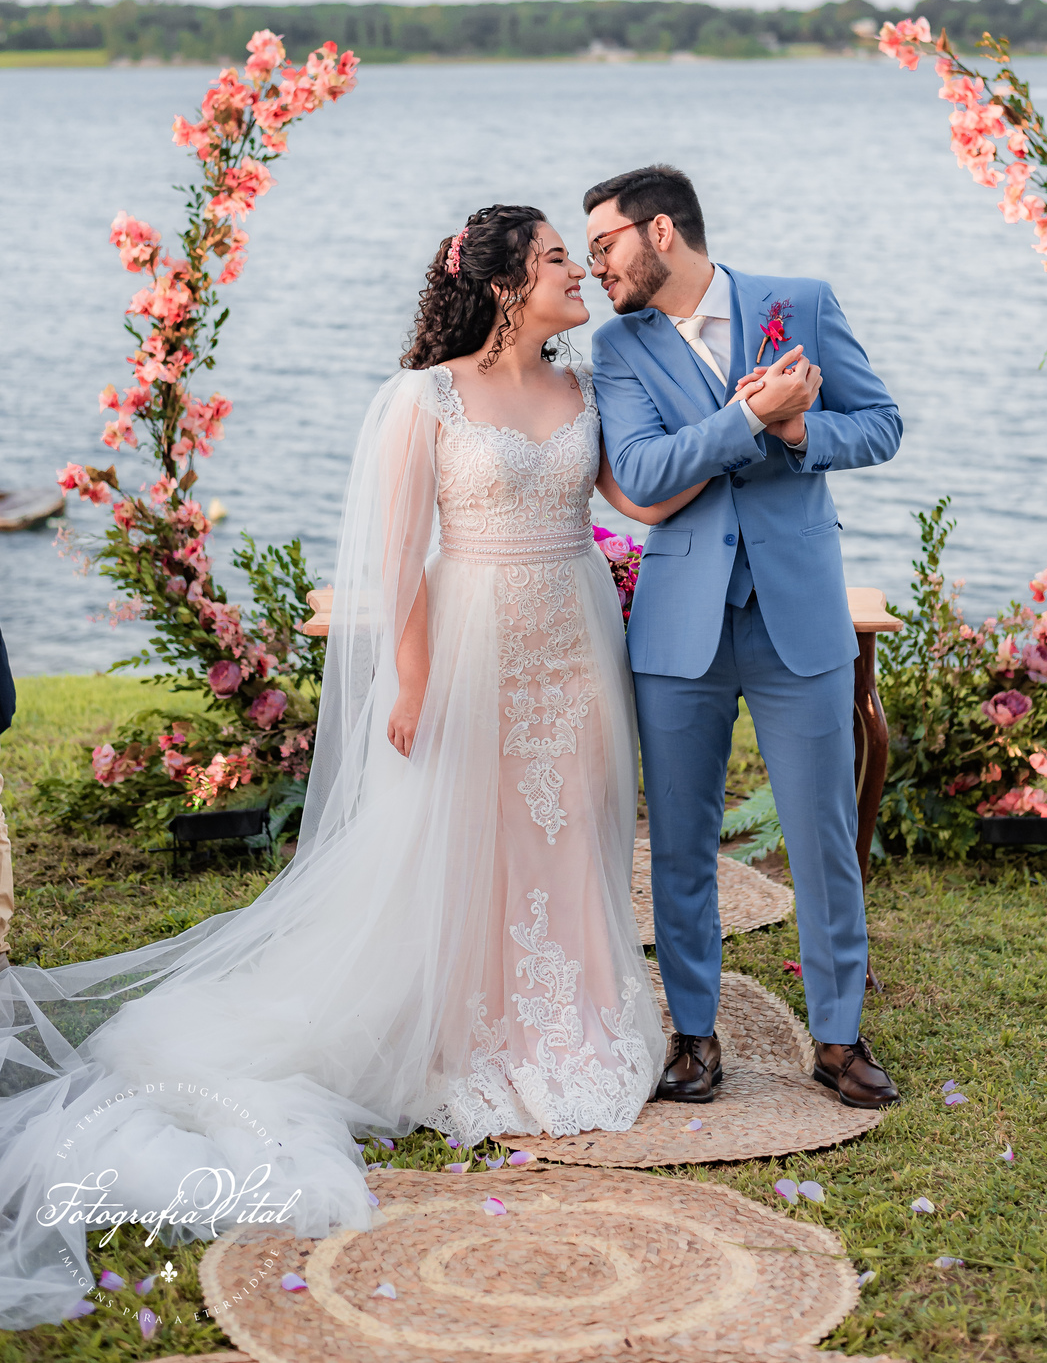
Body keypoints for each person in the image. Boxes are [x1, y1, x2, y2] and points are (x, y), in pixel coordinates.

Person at [0, 204, 689, 1331]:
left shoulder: (588, 387)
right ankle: (475, 1025)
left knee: (580, 827)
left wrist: (748, 427)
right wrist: (409, 682)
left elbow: (639, 497)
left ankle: (576, 1015)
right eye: (562, 256)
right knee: (475, 832)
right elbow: (399, 559)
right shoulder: (426, 398)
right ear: (509, 283)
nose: (581, 270)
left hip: (576, 638)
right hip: (473, 641)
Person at [585, 165, 902, 1110]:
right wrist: (746, 419)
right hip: (679, 624)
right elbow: (643, 470)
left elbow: (881, 424)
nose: (597, 264)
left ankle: (838, 1038)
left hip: (798, 614)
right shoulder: (617, 346)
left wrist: (802, 430)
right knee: (679, 841)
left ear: (662, 233)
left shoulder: (800, 303)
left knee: (823, 837)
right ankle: (693, 1035)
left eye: (604, 245)